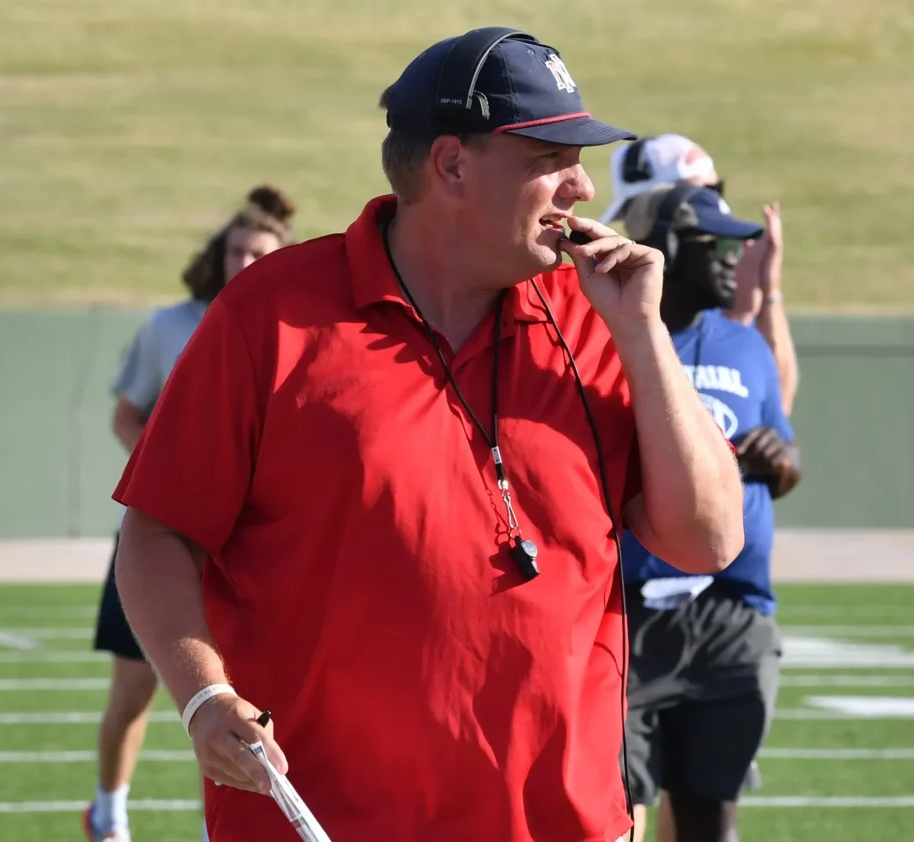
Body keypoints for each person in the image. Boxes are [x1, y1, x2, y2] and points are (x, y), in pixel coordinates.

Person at [110, 26, 745, 842]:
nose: (582, 188)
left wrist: (646, 337)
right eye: (549, 161)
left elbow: (708, 538)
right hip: (322, 824)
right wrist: (202, 696)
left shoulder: (600, 319)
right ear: (451, 165)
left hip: (564, 825)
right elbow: (158, 529)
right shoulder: (271, 314)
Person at [84, 184, 297, 842]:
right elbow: (127, 414)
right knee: (135, 690)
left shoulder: (298, 324)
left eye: (260, 252)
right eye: (236, 250)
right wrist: (174, 480)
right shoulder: (170, 326)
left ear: (283, 256)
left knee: (256, 694)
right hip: (170, 534)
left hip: (254, 549)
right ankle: (109, 811)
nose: (245, 262)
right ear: (218, 254)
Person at [616, 183, 803, 842]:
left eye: (736, 244)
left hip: (730, 611)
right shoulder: (605, 338)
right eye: (711, 244)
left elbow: (789, 462)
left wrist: (779, 459)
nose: (732, 258)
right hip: (626, 611)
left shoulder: (746, 347)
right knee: (612, 814)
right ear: (662, 249)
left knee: (711, 817)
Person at [602, 134, 799, 415]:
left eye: (714, 192)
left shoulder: (725, 313)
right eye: (699, 193)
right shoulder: (608, 326)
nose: (716, 205)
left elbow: (774, 411)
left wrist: (769, 294)